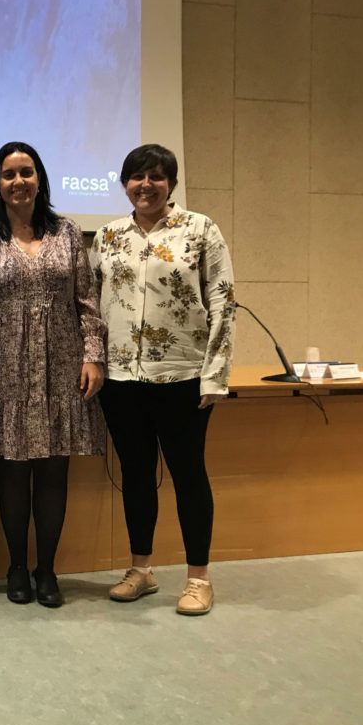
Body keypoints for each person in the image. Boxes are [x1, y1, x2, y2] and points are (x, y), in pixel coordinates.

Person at [91, 143, 235, 616]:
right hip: (121, 379)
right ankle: (142, 569)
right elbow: (92, 309)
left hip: (182, 376)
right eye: (136, 177)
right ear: (125, 184)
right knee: (135, 475)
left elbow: (222, 302)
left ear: (170, 182)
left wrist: (214, 376)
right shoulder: (108, 237)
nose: (145, 185)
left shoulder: (200, 230)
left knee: (188, 474)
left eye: (155, 176)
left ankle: (198, 578)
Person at [0, 142, 105, 608]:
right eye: (8, 174)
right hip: (3, 363)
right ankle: (15, 567)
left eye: (26, 172)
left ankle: (47, 569)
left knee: (53, 469)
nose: (18, 181)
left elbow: (86, 299)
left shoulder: (68, 232)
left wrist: (93, 356)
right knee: (12, 469)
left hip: (62, 362)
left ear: (39, 178)